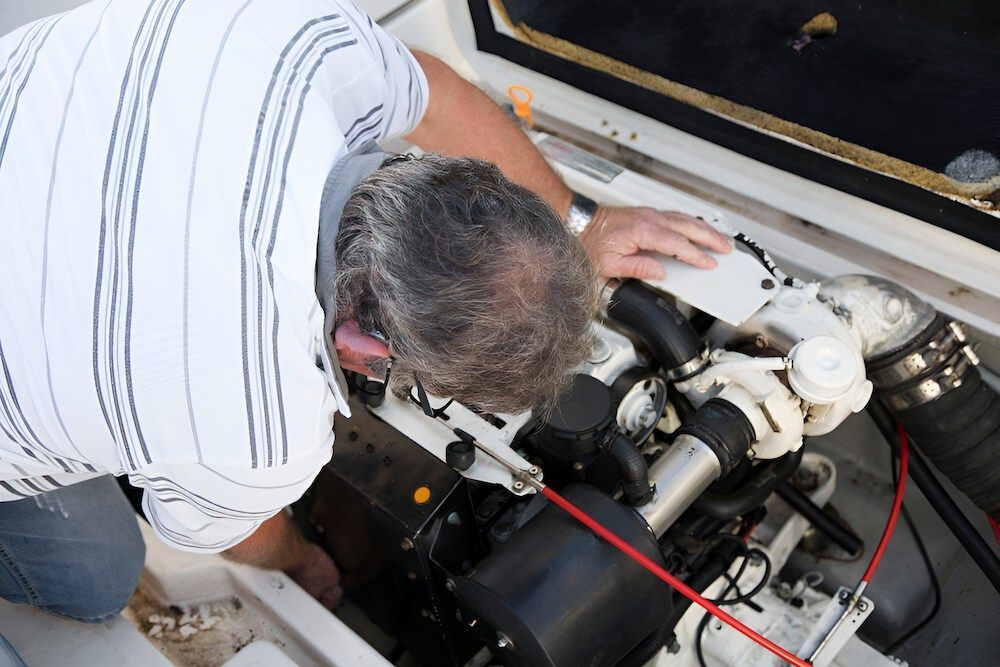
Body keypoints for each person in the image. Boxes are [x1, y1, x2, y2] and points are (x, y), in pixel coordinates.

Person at [0, 0, 731, 630]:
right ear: (358, 342)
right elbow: (241, 538)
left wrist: (583, 223)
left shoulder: (295, 37)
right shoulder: (256, 430)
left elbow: (436, 94)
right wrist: (304, 557)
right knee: (98, 577)